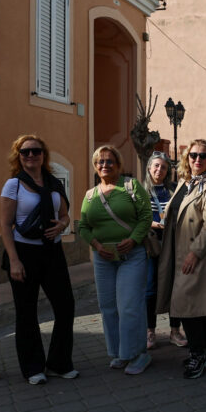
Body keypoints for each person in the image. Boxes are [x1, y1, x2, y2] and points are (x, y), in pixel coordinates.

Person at [0, 134, 77, 385]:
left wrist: (62, 226)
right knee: (26, 312)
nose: (31, 155)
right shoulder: (14, 185)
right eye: (25, 152)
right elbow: (5, 224)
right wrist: (14, 261)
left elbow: (64, 214)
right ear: (18, 156)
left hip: (52, 252)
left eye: (36, 151)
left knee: (65, 307)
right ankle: (33, 368)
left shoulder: (54, 182)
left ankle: (58, 363)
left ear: (44, 155)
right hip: (24, 253)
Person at [79, 145, 154, 375]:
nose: (104, 165)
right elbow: (83, 226)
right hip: (103, 258)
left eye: (109, 161)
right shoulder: (90, 195)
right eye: (100, 162)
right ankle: (120, 353)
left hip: (131, 256)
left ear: (118, 164)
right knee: (108, 307)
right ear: (95, 166)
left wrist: (133, 239)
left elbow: (145, 217)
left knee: (129, 305)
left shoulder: (131, 186)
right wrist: (96, 245)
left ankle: (139, 354)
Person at [157, 138, 206, 379]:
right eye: (193, 155)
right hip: (175, 252)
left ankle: (198, 354)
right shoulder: (184, 183)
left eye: (202, 156)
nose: (197, 159)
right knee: (197, 307)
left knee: (188, 306)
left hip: (195, 254)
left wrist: (195, 253)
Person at [143, 151, 187, 349]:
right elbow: (135, 216)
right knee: (150, 289)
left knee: (174, 288)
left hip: (173, 243)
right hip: (151, 244)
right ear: (149, 168)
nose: (159, 170)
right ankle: (150, 332)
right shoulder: (141, 190)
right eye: (156, 166)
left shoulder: (175, 189)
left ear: (168, 170)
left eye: (163, 167)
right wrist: (154, 223)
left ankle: (175, 331)